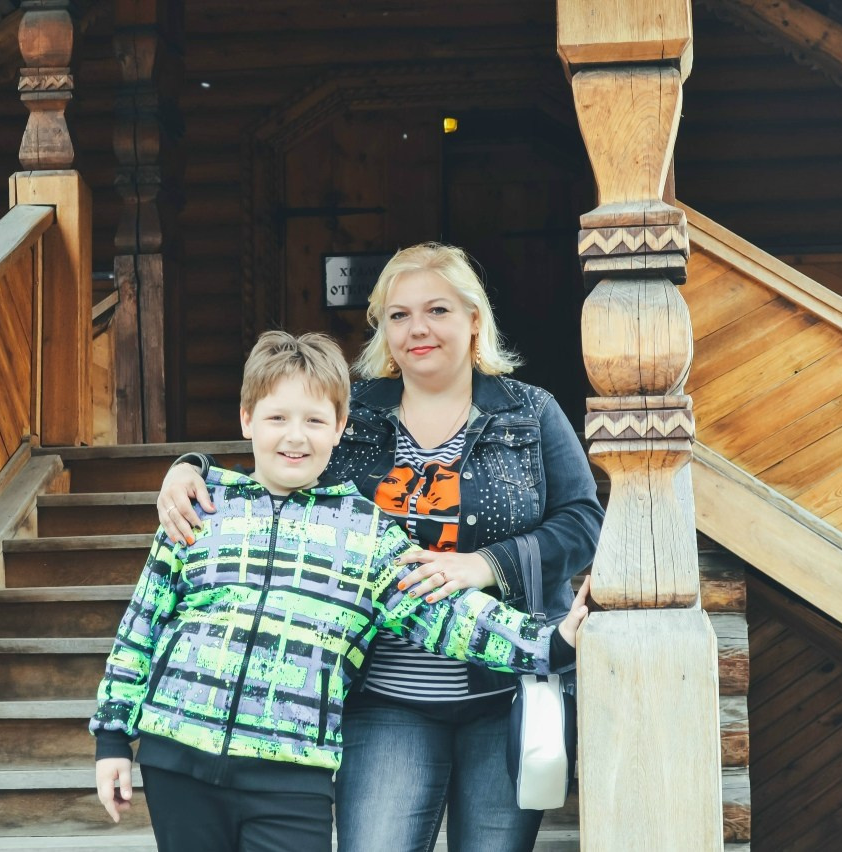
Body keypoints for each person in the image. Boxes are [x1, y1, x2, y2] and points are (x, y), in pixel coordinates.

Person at [156, 244, 603, 852]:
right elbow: (282, 470)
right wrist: (193, 469)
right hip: (385, 694)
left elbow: (583, 522)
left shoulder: (531, 412)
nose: (417, 328)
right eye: (399, 315)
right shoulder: (355, 417)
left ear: (474, 319)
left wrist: (486, 565)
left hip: (505, 687)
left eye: (437, 310)